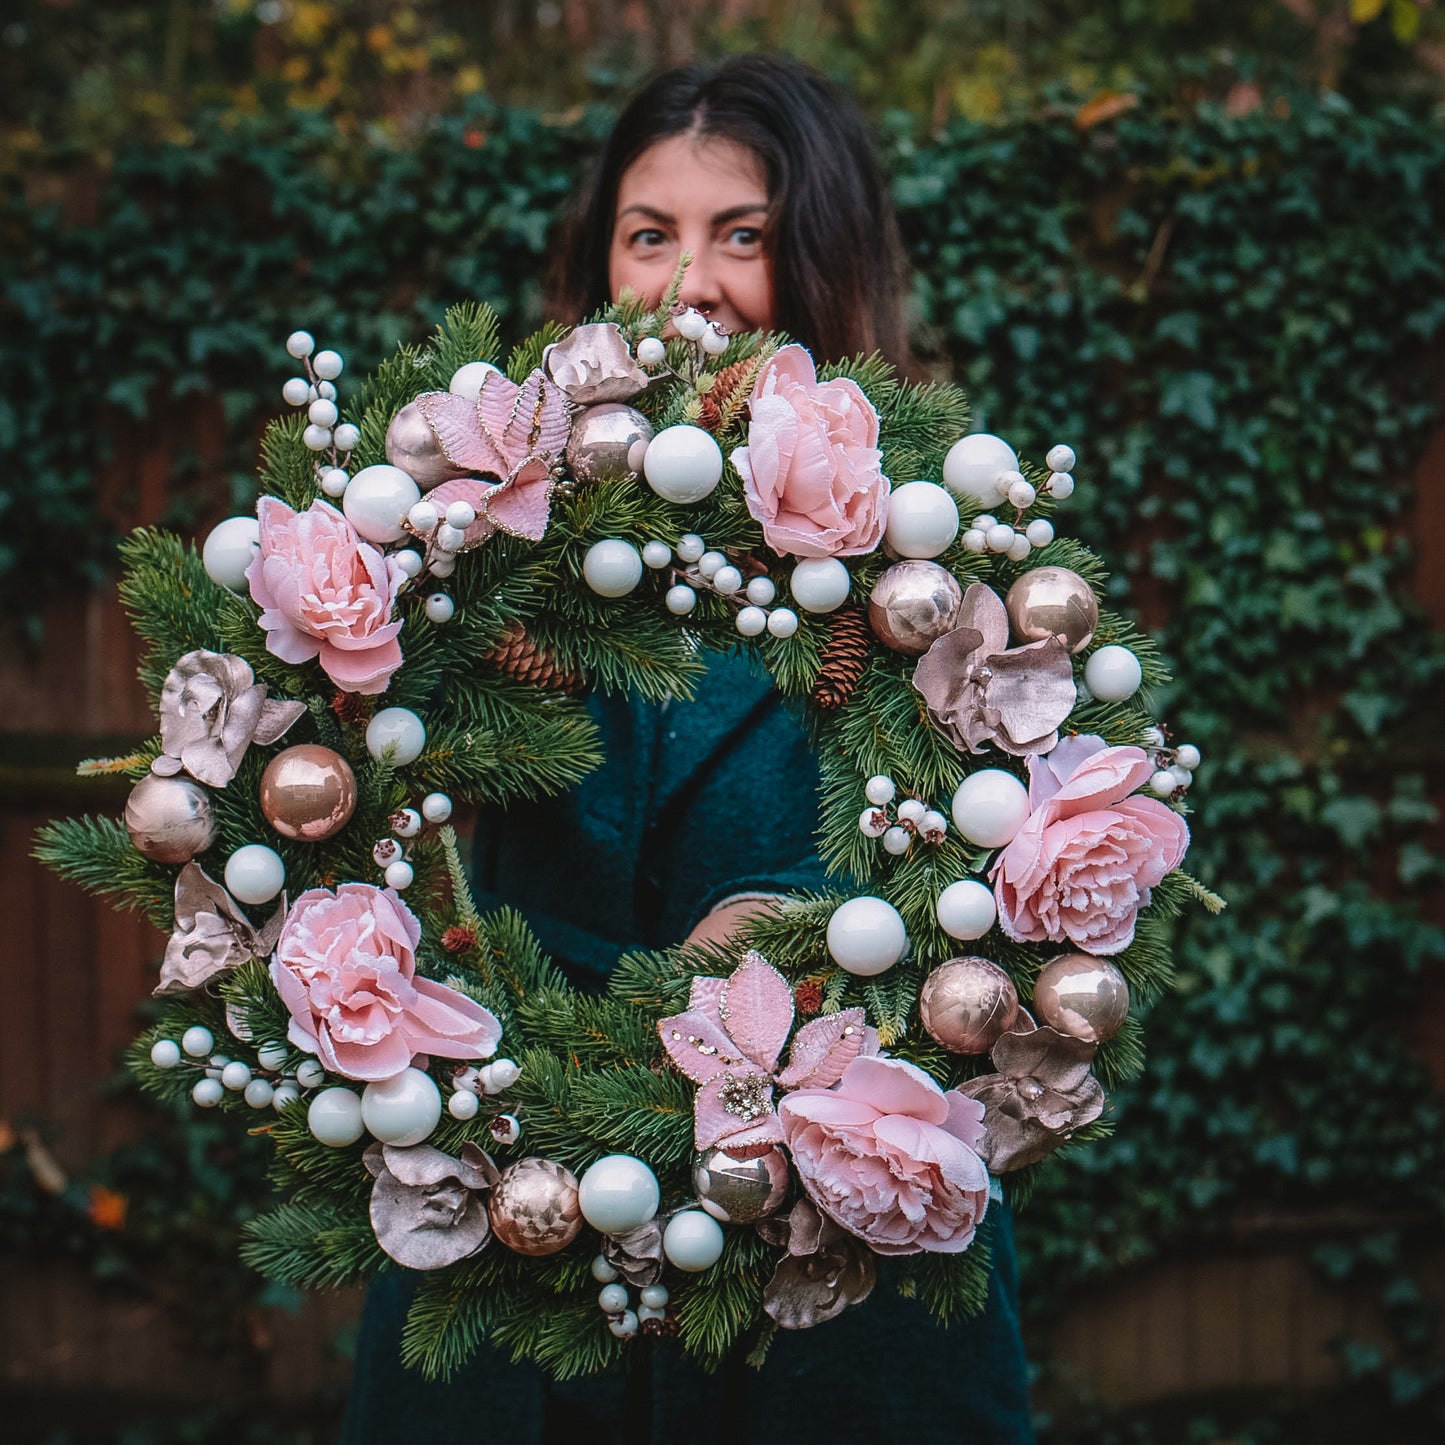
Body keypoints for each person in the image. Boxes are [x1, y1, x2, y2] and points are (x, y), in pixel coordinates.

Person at [343, 53, 1034, 1445]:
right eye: (648, 233)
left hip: (822, 1213)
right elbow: (368, 808)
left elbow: (984, 888)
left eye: (744, 236)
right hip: (519, 1185)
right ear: (603, 262)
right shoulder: (481, 545)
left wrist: (795, 952)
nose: (688, 282)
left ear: (821, 259)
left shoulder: (926, 570)